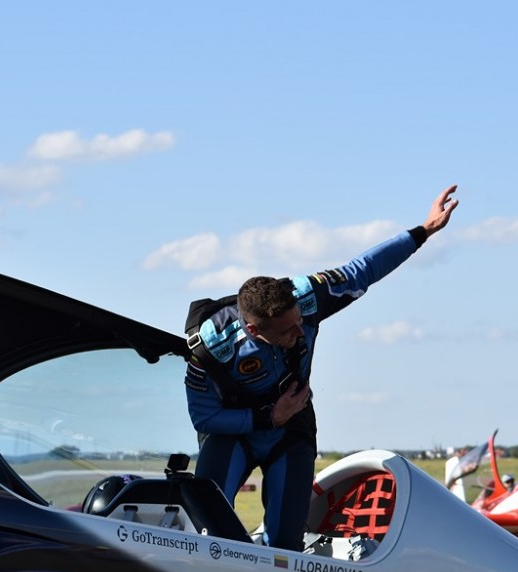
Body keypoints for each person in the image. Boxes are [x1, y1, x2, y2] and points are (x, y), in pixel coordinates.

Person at [184, 184, 459, 551]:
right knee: (206, 526)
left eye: (300, 321)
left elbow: (363, 270)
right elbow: (204, 418)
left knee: (285, 544)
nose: (301, 332)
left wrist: (422, 232)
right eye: (287, 330)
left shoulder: (307, 297)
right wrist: (267, 418)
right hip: (235, 433)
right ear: (253, 329)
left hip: (291, 430)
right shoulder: (210, 348)